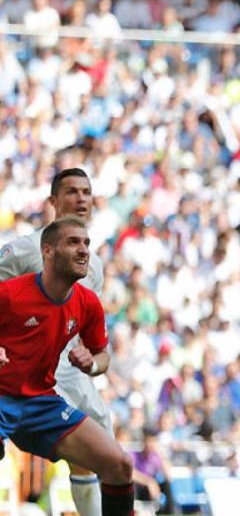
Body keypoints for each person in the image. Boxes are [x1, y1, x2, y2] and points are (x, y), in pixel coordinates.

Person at [0, 217, 135, 515]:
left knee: (120, 465)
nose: (84, 250)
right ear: (47, 251)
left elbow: (103, 357)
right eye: (73, 242)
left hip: (41, 403)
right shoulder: (10, 294)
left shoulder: (87, 303)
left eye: (86, 243)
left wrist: (92, 364)